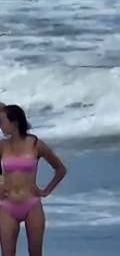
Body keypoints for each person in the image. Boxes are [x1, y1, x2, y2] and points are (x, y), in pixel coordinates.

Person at [0, 105, 66, 256]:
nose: (0, 125)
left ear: (14, 122)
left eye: (2, 122)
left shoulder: (36, 144)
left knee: (35, 253)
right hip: (8, 205)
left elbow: (60, 169)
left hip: (31, 204)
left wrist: (46, 190)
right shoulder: (2, 146)